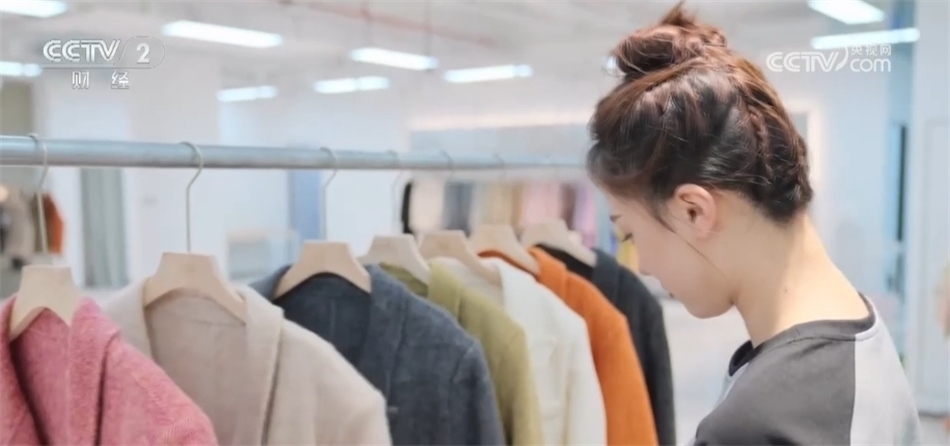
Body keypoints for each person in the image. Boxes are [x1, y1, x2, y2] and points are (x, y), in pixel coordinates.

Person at [586, 3, 922, 445]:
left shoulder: (760, 423)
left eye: (630, 232)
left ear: (693, 210)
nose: (643, 264)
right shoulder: (860, 328)